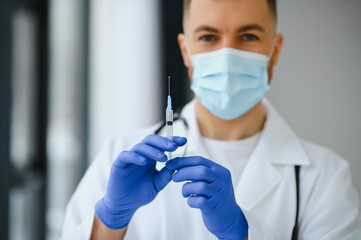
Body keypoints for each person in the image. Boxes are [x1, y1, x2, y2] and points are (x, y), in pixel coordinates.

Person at [62, 0, 361, 239]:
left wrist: (242, 234)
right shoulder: (121, 158)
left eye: (248, 36)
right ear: (185, 51)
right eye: (208, 36)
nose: (227, 55)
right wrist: (109, 221)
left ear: (275, 50)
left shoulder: (323, 177)